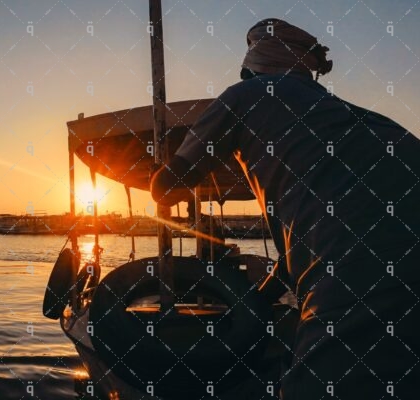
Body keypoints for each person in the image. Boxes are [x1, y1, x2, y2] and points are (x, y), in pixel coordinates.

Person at [150, 18, 420, 400]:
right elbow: (311, 248)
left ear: (252, 70)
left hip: (358, 276)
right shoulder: (364, 124)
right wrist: (256, 300)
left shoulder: (248, 95)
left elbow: (166, 189)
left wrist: (159, 168)